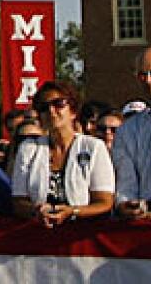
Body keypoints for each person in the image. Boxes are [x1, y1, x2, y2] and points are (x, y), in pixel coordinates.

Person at [10, 81, 115, 226]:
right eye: (44, 108)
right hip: (40, 233)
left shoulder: (94, 147)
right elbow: (18, 201)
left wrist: (72, 211)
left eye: (59, 104)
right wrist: (37, 211)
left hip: (81, 233)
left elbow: (104, 202)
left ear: (73, 111)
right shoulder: (28, 148)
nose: (51, 111)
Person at [112, 46, 151, 220]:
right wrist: (126, 203)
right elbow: (126, 179)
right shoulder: (128, 129)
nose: (148, 80)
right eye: (142, 75)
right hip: (143, 220)